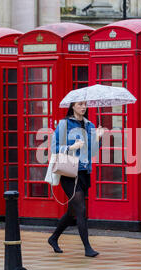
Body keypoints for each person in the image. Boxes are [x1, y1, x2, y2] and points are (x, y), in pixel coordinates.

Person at [48, 101, 104, 257]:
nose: (83, 107)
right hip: (69, 172)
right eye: (80, 104)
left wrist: (98, 139)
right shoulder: (64, 124)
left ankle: (53, 238)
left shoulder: (90, 124)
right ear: (72, 106)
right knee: (81, 210)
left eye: (85, 104)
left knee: (72, 211)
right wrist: (71, 148)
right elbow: (54, 148)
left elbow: (92, 150)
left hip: (84, 170)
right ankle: (87, 248)